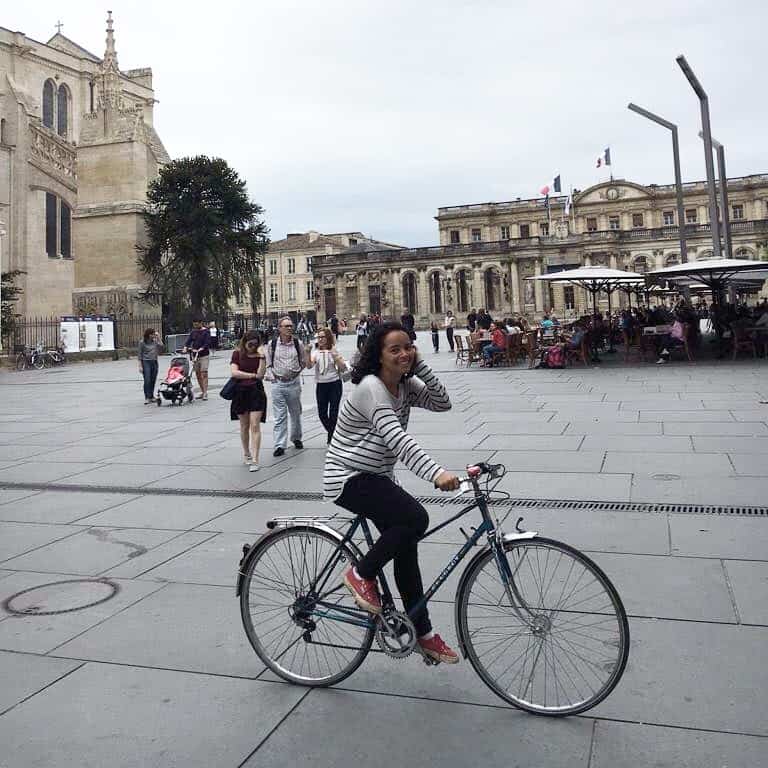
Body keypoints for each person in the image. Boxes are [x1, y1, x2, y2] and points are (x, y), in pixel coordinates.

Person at [324, 321, 461, 664]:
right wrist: (436, 473)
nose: (403, 353)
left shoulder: (405, 383)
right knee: (416, 518)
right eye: (394, 349)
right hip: (348, 476)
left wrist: (419, 366)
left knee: (406, 545)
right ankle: (360, 573)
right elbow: (397, 440)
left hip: (377, 476)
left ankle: (424, 634)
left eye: (408, 347)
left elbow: (443, 403)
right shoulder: (371, 387)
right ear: (378, 355)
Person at [265, 316, 308, 457]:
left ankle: (296, 438)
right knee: (280, 416)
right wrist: (273, 377)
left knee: (295, 413)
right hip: (278, 384)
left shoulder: (298, 344)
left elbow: (303, 362)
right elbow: (268, 364)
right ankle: (280, 445)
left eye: (291, 325)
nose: (289, 328)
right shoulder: (272, 345)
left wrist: (296, 373)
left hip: (293, 383)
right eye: (286, 326)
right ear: (279, 329)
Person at [230, 330, 267, 471]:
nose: (251, 347)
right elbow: (234, 372)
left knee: (255, 425)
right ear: (244, 342)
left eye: (255, 344)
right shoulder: (237, 354)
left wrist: (262, 357)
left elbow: (261, 375)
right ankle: (246, 453)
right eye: (249, 344)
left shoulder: (260, 356)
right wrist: (252, 375)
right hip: (240, 392)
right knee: (244, 425)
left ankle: (255, 459)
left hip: (256, 391)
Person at [308, 327, 347, 444]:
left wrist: (335, 356)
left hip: (335, 384)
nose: (320, 339)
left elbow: (343, 367)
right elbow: (309, 365)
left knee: (334, 412)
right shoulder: (316, 352)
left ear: (328, 338)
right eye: (318, 337)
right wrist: (306, 353)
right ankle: (334, 433)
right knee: (322, 413)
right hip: (321, 385)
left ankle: (331, 438)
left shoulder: (334, 350)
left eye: (322, 337)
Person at [182, 319, 211, 400]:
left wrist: (202, 348)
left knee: (204, 373)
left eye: (196, 324)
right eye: (194, 325)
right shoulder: (193, 332)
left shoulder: (206, 332)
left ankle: (205, 393)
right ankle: (202, 391)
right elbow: (188, 341)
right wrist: (185, 347)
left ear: (201, 323)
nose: (195, 326)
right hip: (195, 355)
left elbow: (207, 342)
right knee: (198, 374)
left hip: (204, 355)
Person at [138, 328, 162, 404]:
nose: (154, 335)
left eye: (154, 334)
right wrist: (140, 366)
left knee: (153, 379)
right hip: (146, 362)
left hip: (154, 361)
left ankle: (151, 396)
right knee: (147, 379)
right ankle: (147, 397)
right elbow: (139, 355)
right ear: (149, 335)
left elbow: (161, 346)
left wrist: (158, 337)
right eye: (153, 334)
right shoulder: (142, 343)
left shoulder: (155, 342)